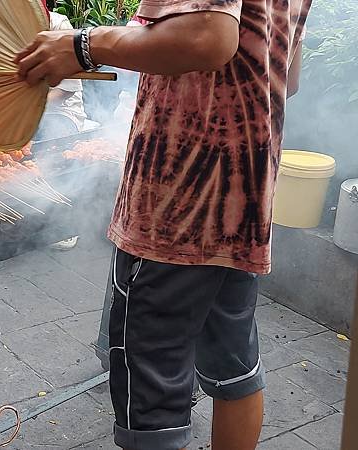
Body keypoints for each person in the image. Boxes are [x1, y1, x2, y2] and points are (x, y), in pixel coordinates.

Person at [15, 0, 309, 449]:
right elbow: (287, 77)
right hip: (242, 201)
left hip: (176, 211)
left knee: (153, 412)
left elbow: (206, 37)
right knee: (235, 372)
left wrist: (84, 45)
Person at [34, 11, 87, 142]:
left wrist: (24, 112)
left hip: (59, 112)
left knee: (44, 140)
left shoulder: (58, 25)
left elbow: (65, 91)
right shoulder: (1, 28)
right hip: (16, 115)